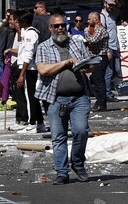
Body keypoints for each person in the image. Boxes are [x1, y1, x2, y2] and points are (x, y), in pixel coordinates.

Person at [35, 13, 93, 184]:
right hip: (55, 98)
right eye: (56, 26)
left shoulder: (76, 42)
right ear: (50, 28)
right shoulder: (43, 47)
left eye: (63, 25)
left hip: (79, 97)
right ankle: (62, 172)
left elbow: (89, 64)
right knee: (58, 136)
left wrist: (86, 67)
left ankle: (77, 163)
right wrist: (66, 63)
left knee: (81, 132)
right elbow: (43, 70)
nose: (60, 28)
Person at [15, 10, 47, 134]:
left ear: (25, 22)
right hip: (27, 68)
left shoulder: (31, 34)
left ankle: (32, 123)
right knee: (33, 96)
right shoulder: (26, 32)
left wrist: (21, 75)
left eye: (19, 21)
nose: (18, 23)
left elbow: (28, 55)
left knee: (30, 97)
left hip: (29, 69)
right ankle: (40, 123)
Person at [84, 11, 109, 112]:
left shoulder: (100, 29)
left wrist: (86, 33)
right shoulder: (94, 29)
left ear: (96, 19)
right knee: (95, 80)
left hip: (100, 58)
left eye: (90, 19)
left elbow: (93, 40)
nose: (88, 21)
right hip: (95, 58)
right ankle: (99, 102)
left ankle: (102, 104)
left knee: (99, 81)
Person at [101, 0, 120, 102]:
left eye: (113, 5)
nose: (111, 7)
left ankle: (107, 88)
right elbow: (103, 34)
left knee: (117, 70)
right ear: (105, 4)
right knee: (109, 72)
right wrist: (107, 49)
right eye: (110, 5)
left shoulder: (112, 16)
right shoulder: (102, 16)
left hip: (114, 47)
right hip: (109, 48)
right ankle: (108, 93)